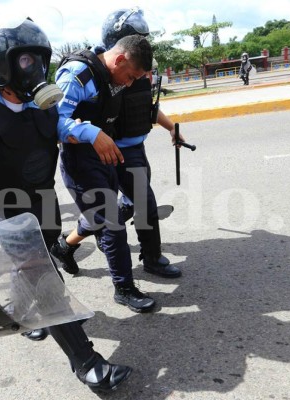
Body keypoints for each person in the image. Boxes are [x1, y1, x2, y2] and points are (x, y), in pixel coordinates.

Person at [0, 16, 132, 392]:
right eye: (25, 61)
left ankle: (22, 316)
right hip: (7, 214)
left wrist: (93, 133)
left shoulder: (43, 106)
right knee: (45, 279)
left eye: (39, 60)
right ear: (1, 65)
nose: (35, 70)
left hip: (43, 206)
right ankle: (87, 364)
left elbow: (62, 127)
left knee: (35, 267)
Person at [51, 7, 182, 284]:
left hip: (131, 148)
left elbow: (144, 107)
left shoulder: (133, 69)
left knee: (126, 207)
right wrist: (88, 133)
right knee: (122, 210)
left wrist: (172, 128)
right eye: (137, 38)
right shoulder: (102, 70)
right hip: (105, 151)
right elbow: (59, 119)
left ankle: (70, 245)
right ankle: (143, 262)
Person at [52, 33, 159, 313]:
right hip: (81, 162)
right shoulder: (77, 74)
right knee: (112, 224)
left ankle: (65, 246)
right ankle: (124, 288)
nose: (131, 82)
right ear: (120, 59)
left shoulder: (114, 74)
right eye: (132, 76)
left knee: (104, 215)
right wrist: (89, 132)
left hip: (107, 155)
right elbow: (53, 121)